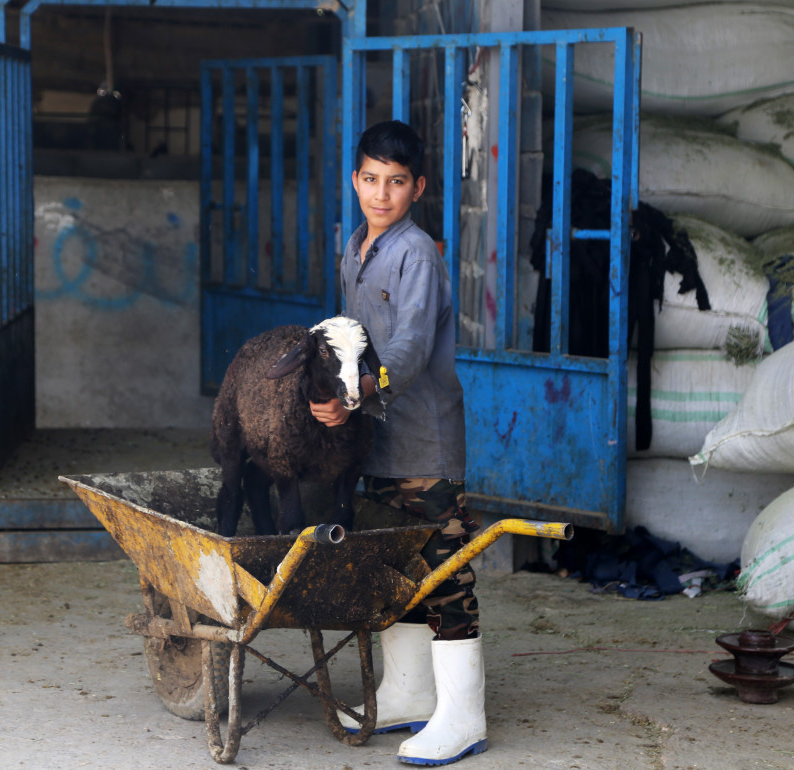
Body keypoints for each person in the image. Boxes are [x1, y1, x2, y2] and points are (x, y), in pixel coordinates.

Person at [310, 119, 487, 766]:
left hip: (425, 449)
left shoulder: (418, 253)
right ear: (356, 179)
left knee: (443, 577)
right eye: (371, 179)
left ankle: (464, 715)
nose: (381, 194)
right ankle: (411, 693)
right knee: (394, 575)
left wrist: (354, 390)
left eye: (396, 182)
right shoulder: (356, 247)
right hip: (376, 445)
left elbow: (407, 350)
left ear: (418, 188)